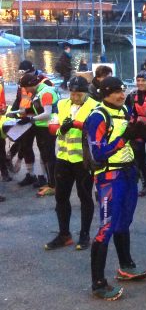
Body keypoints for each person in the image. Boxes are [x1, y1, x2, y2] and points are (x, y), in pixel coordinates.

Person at [84, 77, 146, 301]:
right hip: (109, 178)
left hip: (128, 173)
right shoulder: (98, 116)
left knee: (124, 222)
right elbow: (98, 154)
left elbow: (127, 140)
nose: (122, 95)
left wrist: (138, 134)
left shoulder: (123, 110)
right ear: (104, 93)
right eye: (116, 92)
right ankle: (98, 283)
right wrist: (125, 138)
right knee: (106, 227)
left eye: (122, 91)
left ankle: (126, 266)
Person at [44, 76, 98, 251]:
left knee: (85, 197)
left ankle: (85, 235)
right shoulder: (61, 104)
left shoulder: (95, 106)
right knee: (61, 197)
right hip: (63, 157)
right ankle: (64, 234)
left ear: (86, 92)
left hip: (83, 160)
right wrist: (63, 128)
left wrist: (77, 124)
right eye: (73, 93)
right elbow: (53, 128)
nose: (75, 97)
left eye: (79, 94)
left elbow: (97, 130)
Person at [18, 72, 59, 196]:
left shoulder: (45, 92)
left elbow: (47, 113)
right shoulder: (39, 92)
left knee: (49, 156)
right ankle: (51, 182)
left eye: (25, 87)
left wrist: (31, 119)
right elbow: (39, 109)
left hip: (47, 128)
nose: (25, 90)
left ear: (31, 85)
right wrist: (21, 112)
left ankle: (54, 185)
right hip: (42, 127)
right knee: (46, 156)